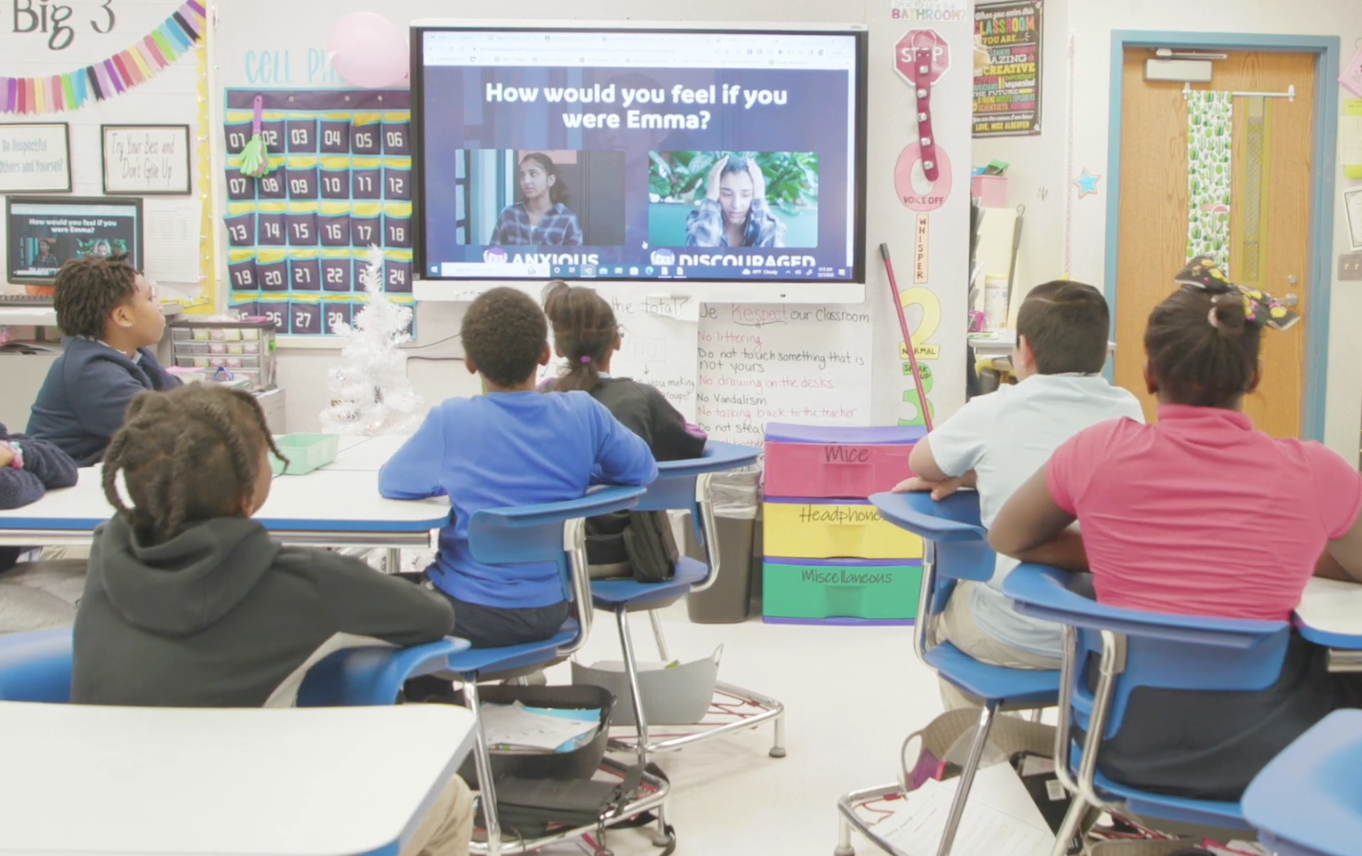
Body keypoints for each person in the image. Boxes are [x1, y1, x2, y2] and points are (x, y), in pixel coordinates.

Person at [988, 257, 1361, 801]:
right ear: (1254, 377)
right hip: (1274, 763)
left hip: (1116, 743)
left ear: (1148, 375)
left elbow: (1007, 537)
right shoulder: (1316, 471)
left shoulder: (1098, 452)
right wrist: (1276, 547)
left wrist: (1119, 549)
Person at [70, 383, 473, 856]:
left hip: (100, 825)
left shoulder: (105, 558)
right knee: (450, 800)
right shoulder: (303, 581)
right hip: (249, 828)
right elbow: (432, 617)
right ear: (249, 492)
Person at [893, 281, 1142, 708]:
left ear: (1022, 349)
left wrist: (971, 473)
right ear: (1105, 352)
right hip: (1108, 642)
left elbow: (922, 463)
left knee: (942, 619)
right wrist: (981, 473)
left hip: (1015, 637)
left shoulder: (993, 410)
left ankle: (982, 763)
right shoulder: (1127, 410)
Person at [379, 287, 657, 649]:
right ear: (544, 353)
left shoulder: (452, 419)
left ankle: (430, 699)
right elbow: (643, 469)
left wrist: (451, 479)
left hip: (465, 609)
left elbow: (393, 483)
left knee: (364, 598)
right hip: (554, 609)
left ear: (470, 362)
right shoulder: (583, 414)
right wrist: (586, 472)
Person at [26, 255, 181, 466]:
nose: (160, 305)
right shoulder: (89, 372)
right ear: (123, 317)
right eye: (150, 298)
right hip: (68, 488)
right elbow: (170, 430)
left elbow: (183, 401)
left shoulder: (137, 355)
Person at [541, 281, 706, 461]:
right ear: (617, 340)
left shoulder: (541, 396)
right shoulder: (642, 398)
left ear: (558, 348)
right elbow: (694, 443)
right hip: (640, 490)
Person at [0, 423, 81, 632]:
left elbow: (66, 469)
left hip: (8, 569)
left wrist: (12, 453)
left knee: (98, 577)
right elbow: (10, 491)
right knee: (82, 627)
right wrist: (31, 472)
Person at [685, 154, 785, 248]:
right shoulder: (700, 220)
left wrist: (760, 198)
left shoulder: (764, 223)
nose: (736, 205)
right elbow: (699, 257)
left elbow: (775, 258)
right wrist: (710, 197)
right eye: (727, 194)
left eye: (746, 195)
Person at [490, 152, 583, 246]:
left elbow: (575, 258)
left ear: (550, 180)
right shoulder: (509, 214)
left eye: (533, 174)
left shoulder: (567, 219)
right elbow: (492, 254)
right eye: (522, 175)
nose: (526, 181)